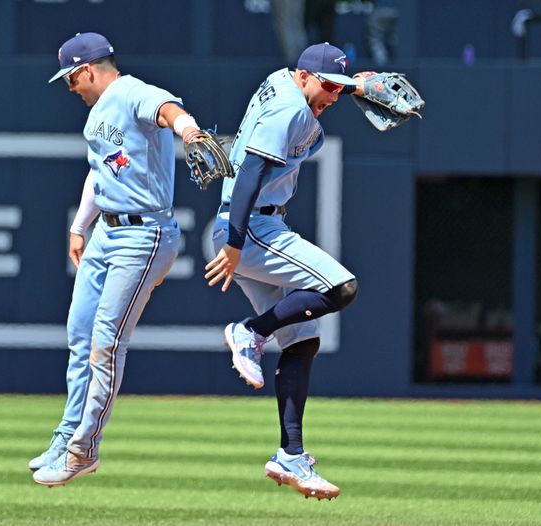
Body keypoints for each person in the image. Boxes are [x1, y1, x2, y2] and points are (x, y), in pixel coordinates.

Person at [30, 32, 209, 487]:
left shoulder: (131, 92)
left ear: (88, 69)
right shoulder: (96, 116)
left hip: (143, 233)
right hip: (107, 230)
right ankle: (67, 432)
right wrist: (79, 225)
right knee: (79, 336)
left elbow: (168, 109)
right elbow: (100, 169)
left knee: (106, 344)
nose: (71, 88)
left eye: (72, 79)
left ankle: (82, 451)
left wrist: (188, 129)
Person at [205, 42, 362, 500]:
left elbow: (317, 85)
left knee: (304, 340)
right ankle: (250, 332)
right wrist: (236, 245)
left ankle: (290, 455)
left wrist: (354, 86)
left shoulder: (284, 81)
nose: (332, 97)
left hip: (251, 221)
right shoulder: (292, 111)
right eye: (328, 87)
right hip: (252, 225)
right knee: (342, 287)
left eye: (339, 89)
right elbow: (253, 170)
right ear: (305, 77)